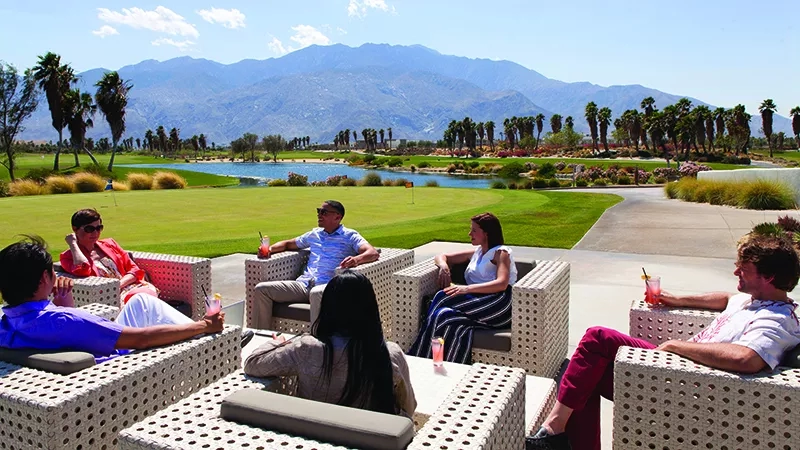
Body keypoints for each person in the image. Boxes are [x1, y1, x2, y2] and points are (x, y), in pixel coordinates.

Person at [527, 233, 800, 450]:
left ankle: (552, 430)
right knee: (587, 375)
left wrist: (675, 346)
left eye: (744, 270)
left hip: (690, 388)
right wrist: (677, 299)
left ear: (769, 277)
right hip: (673, 371)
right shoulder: (751, 300)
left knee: (597, 339)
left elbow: (747, 358)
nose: (736, 273)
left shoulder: (775, 320)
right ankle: (560, 437)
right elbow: (724, 298)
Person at [0, 236, 225, 363]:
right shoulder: (64, 320)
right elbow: (141, 340)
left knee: (139, 303)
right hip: (122, 367)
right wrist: (202, 324)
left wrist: (61, 302)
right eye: (52, 272)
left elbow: (61, 335)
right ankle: (216, 340)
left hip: (76, 366)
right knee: (146, 304)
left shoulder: (7, 326)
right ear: (42, 278)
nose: (56, 276)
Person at [244, 270, 416, 417]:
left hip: (314, 439)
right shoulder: (389, 354)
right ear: (371, 308)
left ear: (327, 307)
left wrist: (278, 343)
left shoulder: (306, 349)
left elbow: (252, 364)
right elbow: (409, 407)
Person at [407, 212, 517, 364]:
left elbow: (502, 284)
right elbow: (442, 256)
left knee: (442, 297)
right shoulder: (477, 252)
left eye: (474, 230)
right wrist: (444, 267)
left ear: (486, 233)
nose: (469, 233)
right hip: (479, 301)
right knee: (443, 316)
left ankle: (417, 357)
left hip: (499, 304)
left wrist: (466, 289)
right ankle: (439, 363)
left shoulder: (500, 252)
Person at [252, 200, 379, 328]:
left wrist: (356, 260)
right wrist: (269, 249)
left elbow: (372, 252)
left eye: (324, 212)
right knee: (262, 290)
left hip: (328, 287)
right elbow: (287, 244)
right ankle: (261, 337)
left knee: (315, 293)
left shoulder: (349, 235)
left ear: (337, 217)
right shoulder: (314, 234)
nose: (319, 215)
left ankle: (316, 344)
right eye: (318, 211)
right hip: (303, 285)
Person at [60, 208, 161, 305]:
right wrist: (73, 244)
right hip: (108, 297)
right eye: (89, 229)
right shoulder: (67, 257)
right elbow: (82, 269)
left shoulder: (110, 243)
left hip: (131, 286)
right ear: (75, 229)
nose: (95, 233)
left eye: (98, 228)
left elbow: (134, 269)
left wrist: (118, 285)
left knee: (144, 297)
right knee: (141, 302)